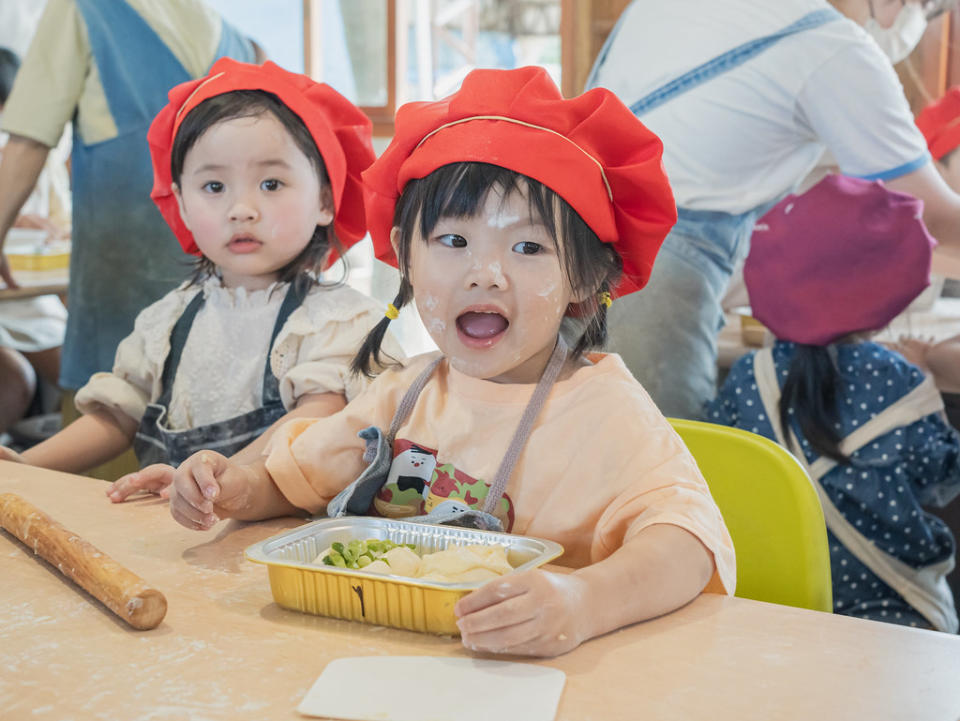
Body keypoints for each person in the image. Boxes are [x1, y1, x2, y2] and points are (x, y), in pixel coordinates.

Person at [163, 67, 735, 658]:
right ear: (406, 260)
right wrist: (232, 488)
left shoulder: (604, 410)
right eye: (454, 242)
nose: (483, 272)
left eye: (529, 247)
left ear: (585, 281)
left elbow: (688, 544)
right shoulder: (405, 394)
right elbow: (292, 480)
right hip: (395, 659)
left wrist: (583, 601)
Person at [0, 59, 402, 496]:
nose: (241, 208)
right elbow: (117, 415)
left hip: (275, 542)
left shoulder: (337, 323)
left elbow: (318, 412)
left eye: (271, 184)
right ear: (182, 203)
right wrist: (23, 467)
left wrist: (216, 480)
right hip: (175, 540)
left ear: (326, 199)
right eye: (214, 187)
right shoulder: (168, 321)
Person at [587, 0, 960, 419]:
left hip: (576, 241)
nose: (920, 18)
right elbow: (925, 209)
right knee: (662, 466)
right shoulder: (833, 48)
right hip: (659, 276)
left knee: (579, 450)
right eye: (927, 6)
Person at [705, 174, 960, 632]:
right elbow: (940, 481)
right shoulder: (901, 382)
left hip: (777, 608)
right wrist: (927, 386)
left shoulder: (748, 376)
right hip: (895, 613)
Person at [0, 0, 258, 407]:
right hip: (230, 314)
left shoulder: (81, 10)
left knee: (106, 432)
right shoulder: (235, 40)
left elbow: (29, 141)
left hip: (121, 303)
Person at [0, 45, 70, 438]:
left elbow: (59, 223)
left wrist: (48, 228)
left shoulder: (35, 156)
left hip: (29, 291)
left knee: (79, 370)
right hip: (17, 299)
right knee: (75, 373)